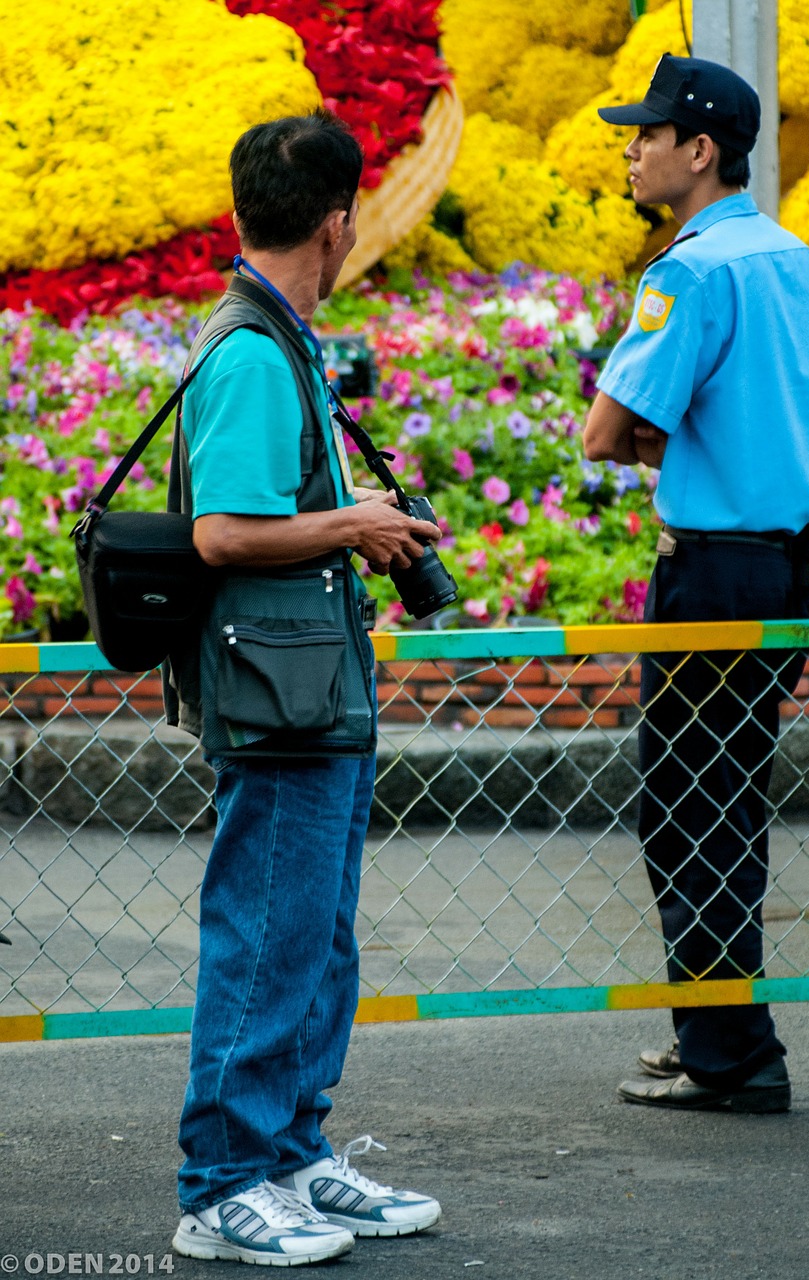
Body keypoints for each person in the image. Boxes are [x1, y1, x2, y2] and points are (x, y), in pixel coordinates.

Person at [164, 111, 443, 1265]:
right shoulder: (247, 351)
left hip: (308, 688)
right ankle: (223, 1180)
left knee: (316, 940)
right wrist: (359, 521)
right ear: (337, 224)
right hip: (276, 695)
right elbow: (224, 533)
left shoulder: (280, 339)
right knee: (268, 935)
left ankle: (292, 1154)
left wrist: (349, 532)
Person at [583, 55, 809, 1112]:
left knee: (684, 805)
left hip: (709, 572)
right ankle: (722, 1030)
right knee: (728, 797)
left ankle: (730, 1053)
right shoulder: (791, 257)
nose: (630, 149)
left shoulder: (686, 270)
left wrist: (665, 446)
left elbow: (605, 430)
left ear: (700, 150)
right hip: (780, 564)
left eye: (646, 134)